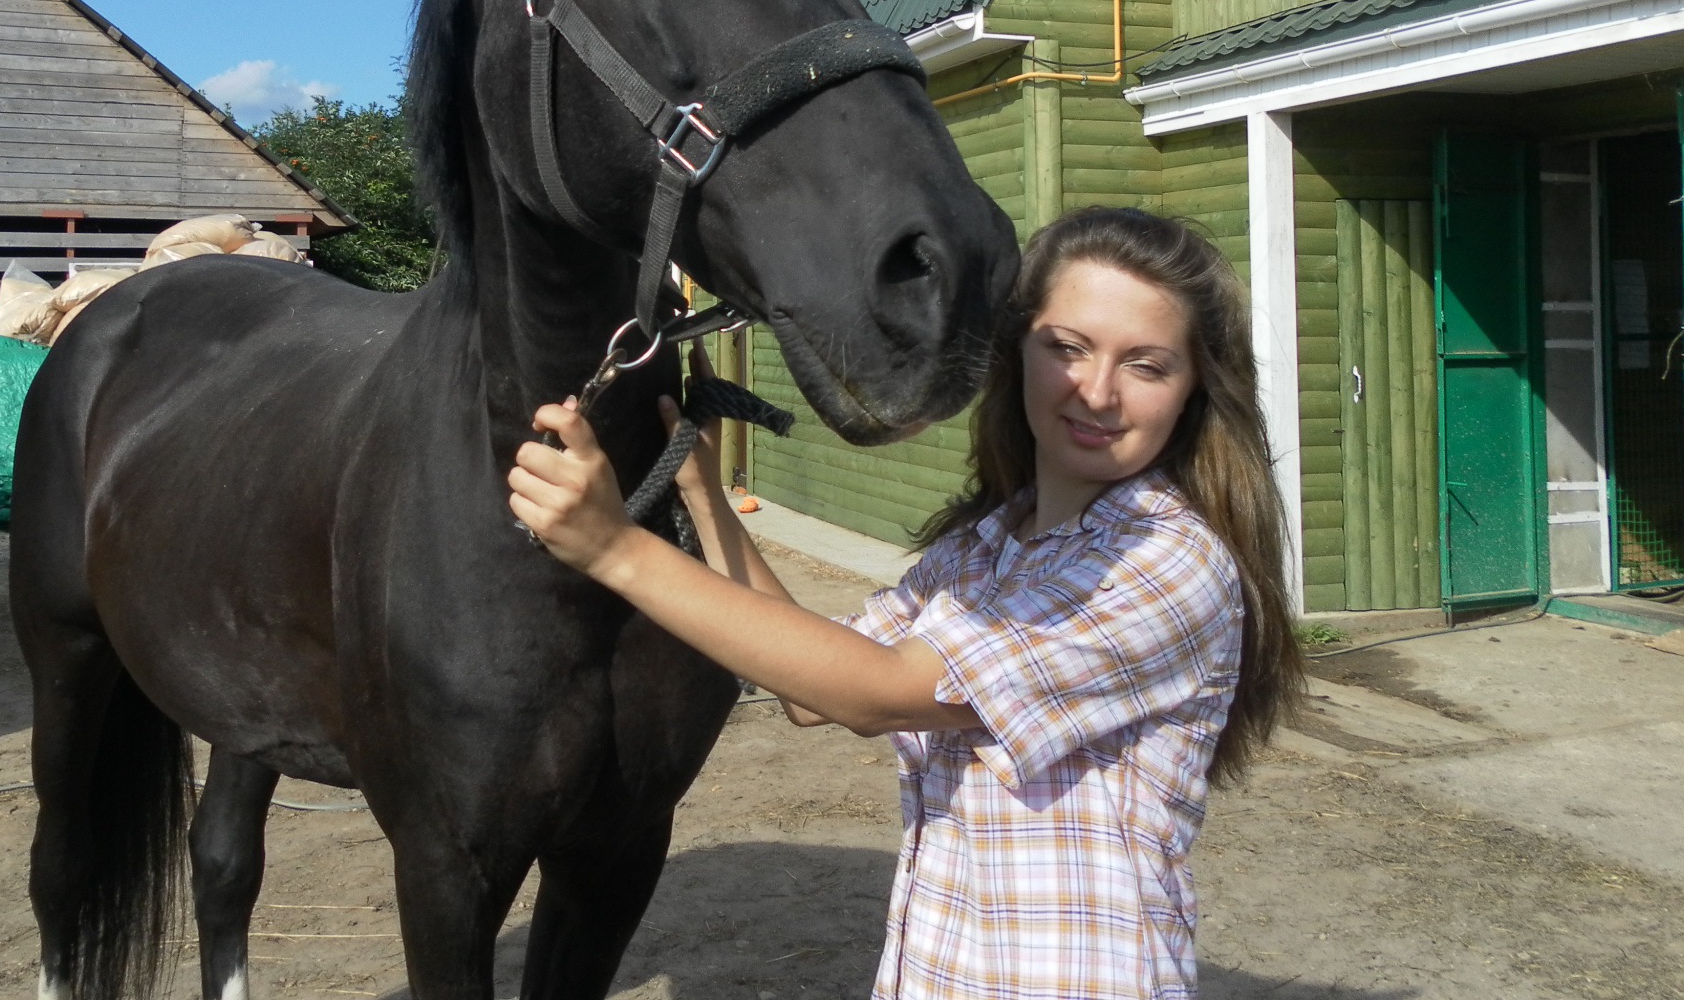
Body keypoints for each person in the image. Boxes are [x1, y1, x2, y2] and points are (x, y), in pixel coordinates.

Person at [509, 206, 1304, 1000]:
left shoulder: (1166, 562)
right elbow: (813, 690)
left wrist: (614, 549)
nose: (1096, 391)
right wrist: (705, 496)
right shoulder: (987, 547)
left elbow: (876, 691)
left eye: (1147, 366)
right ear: (1017, 350)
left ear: (1195, 389)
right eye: (1067, 348)